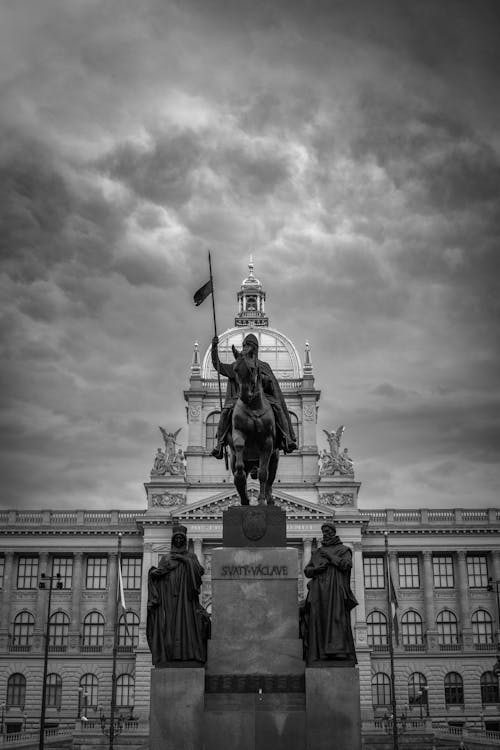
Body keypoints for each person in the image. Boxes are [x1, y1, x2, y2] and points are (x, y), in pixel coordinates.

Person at [210, 333, 297, 458]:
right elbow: (218, 365)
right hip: (240, 398)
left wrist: (263, 379)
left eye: (248, 345)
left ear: (254, 348)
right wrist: (214, 347)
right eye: (244, 345)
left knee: (278, 408)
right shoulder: (238, 365)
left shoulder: (264, 366)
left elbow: (271, 385)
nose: (244, 348)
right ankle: (219, 444)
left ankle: (286, 438)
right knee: (225, 412)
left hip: (263, 397)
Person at [146, 525, 210, 665]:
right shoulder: (166, 558)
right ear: (173, 540)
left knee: (187, 625)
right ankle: (170, 654)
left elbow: (199, 572)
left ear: (185, 540)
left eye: (182, 538)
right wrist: (153, 574)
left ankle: (188, 653)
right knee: (170, 626)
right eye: (177, 538)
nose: (179, 540)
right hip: (169, 597)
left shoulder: (191, 556)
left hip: (186, 597)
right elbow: (159, 574)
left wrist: (185, 560)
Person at [301, 522, 358, 665]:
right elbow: (307, 571)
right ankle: (317, 653)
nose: (325, 533)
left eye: (327, 531)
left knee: (336, 621)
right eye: (323, 531)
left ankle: (338, 653)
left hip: (335, 592)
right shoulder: (318, 552)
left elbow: (346, 565)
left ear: (333, 532)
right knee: (318, 622)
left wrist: (330, 557)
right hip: (319, 593)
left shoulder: (344, 549)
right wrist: (316, 570)